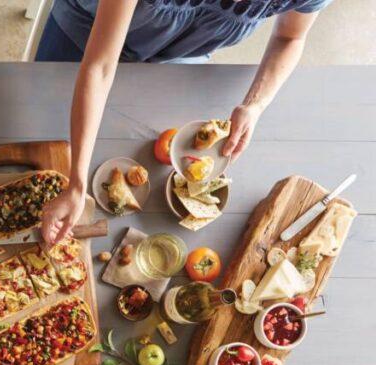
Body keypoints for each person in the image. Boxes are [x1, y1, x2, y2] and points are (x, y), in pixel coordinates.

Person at [37, 0, 333, 245]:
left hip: (175, 64)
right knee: (42, 144)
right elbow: (99, 68)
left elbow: (290, 38)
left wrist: (254, 104)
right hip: (85, 34)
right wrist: (77, 184)